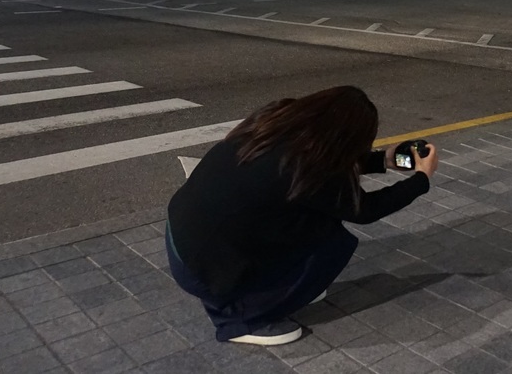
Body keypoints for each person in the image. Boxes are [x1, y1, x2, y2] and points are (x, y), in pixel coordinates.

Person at [165, 86, 438, 346]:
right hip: (203, 270)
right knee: (332, 241)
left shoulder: (275, 121)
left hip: (183, 240)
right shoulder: (309, 167)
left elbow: (326, 163)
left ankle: (269, 290)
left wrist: (383, 160)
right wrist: (421, 179)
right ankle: (242, 320)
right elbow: (364, 210)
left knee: (312, 222)